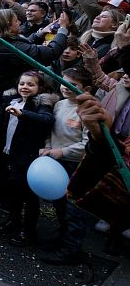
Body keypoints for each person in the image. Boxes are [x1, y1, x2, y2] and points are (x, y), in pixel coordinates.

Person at [0, 71, 57, 247]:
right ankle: (13, 220)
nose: (25, 87)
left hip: (26, 157)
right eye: (22, 83)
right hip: (7, 153)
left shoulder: (40, 104)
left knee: (28, 196)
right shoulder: (11, 100)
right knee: (12, 192)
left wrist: (23, 115)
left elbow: (46, 120)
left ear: (39, 88)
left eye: (30, 84)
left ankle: (28, 231)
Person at [38, 67, 91, 264]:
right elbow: (51, 131)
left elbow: (88, 144)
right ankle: (62, 238)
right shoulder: (59, 104)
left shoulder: (87, 109)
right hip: (56, 162)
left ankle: (70, 251)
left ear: (86, 89)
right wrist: (48, 147)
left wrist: (63, 152)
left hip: (76, 165)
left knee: (73, 210)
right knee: (59, 205)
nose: (66, 87)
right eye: (64, 82)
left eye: (73, 85)